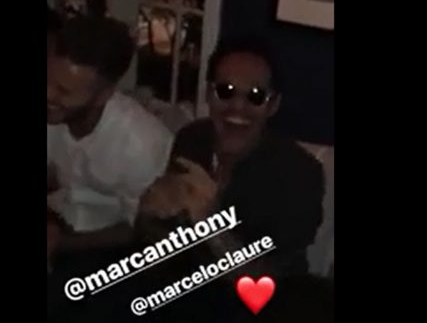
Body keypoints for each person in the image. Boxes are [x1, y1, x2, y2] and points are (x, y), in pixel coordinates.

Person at [136, 37, 325, 322]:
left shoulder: (300, 173)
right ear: (209, 95)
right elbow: (162, 242)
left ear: (273, 105)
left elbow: (265, 280)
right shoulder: (192, 139)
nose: (237, 107)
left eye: (255, 96)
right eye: (225, 91)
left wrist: (212, 223)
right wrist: (149, 213)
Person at [47, 15, 173, 321]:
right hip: (57, 219)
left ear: (103, 95)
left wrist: (60, 244)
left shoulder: (142, 144)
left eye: (63, 91)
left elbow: (141, 230)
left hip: (111, 246)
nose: (48, 94)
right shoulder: (54, 113)